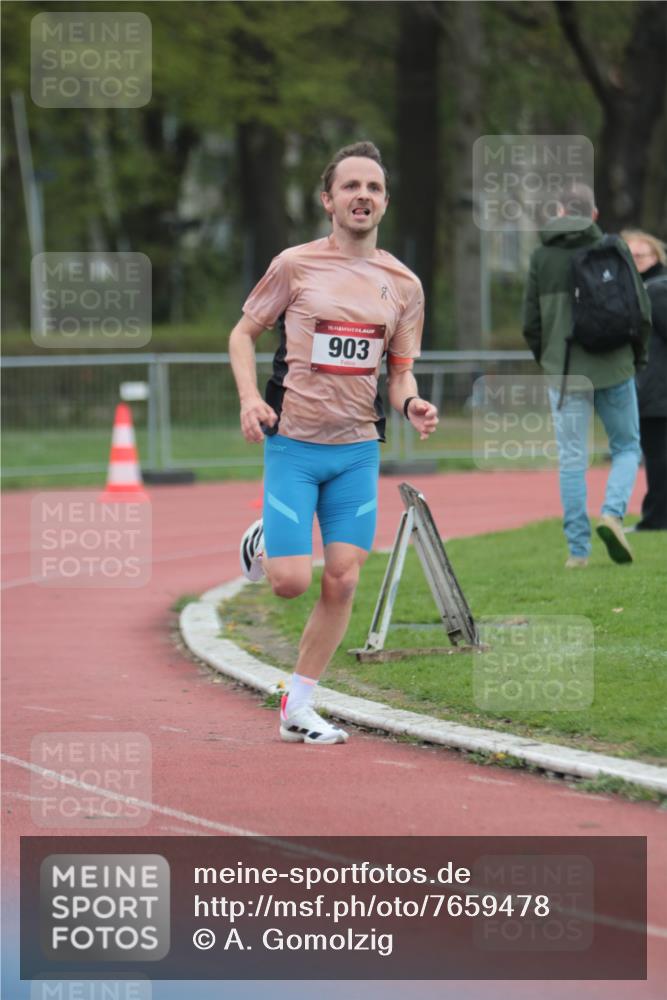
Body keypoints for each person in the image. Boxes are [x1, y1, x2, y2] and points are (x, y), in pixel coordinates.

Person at [228, 141, 438, 744]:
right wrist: (249, 398)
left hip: (357, 449)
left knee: (342, 577)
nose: (362, 197)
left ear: (385, 202)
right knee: (290, 582)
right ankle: (263, 539)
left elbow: (399, 372)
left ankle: (299, 703)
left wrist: (412, 402)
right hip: (294, 442)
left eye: (373, 188)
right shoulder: (295, 265)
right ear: (329, 200)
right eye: (351, 187)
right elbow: (242, 334)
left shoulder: (403, 284)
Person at [522, 184, 651, 567]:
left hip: (564, 373)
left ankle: (578, 552)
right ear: (593, 213)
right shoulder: (615, 248)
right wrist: (637, 357)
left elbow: (531, 322)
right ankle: (612, 512)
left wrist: (548, 358)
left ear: (560, 212)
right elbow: (640, 310)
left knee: (573, 459)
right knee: (627, 447)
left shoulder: (543, 257)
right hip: (615, 365)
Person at [621, 229, 667, 531]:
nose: (634, 261)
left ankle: (656, 518)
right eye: (629, 256)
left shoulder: (656, 290)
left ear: (655, 257)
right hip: (652, 386)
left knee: (658, 455)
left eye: (640, 255)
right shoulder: (642, 289)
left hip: (658, 389)